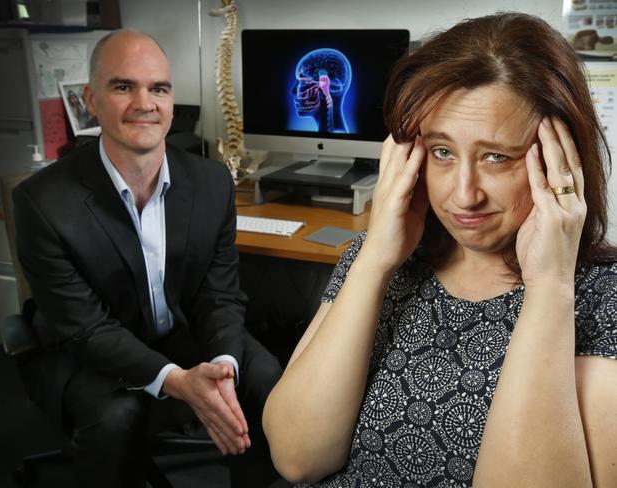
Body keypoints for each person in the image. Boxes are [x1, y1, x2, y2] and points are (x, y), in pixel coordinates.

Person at [262, 12, 617, 488]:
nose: (464, 194)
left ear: (562, 161)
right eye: (443, 153)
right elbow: (296, 457)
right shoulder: (379, 260)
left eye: (497, 156)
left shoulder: (602, 297)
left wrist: (549, 287)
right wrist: (376, 258)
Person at [13, 30, 281, 488]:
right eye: (123, 87)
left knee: (260, 376)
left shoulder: (212, 183)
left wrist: (220, 367)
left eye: (158, 88)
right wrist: (178, 382)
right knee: (116, 416)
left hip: (172, 330)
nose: (145, 102)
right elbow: (85, 329)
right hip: (82, 349)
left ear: (172, 101)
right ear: (90, 100)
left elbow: (218, 293)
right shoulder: (43, 202)